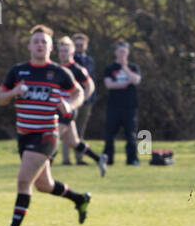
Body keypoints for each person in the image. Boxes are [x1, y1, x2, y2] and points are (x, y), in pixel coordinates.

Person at [0, 25, 91, 226]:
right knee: (44, 185)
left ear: (50, 47)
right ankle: (80, 198)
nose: (39, 45)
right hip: (24, 135)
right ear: (29, 46)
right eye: (36, 41)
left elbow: (79, 92)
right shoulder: (18, 71)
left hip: (47, 134)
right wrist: (12, 93)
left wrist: (70, 105)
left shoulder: (58, 73)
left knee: (23, 180)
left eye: (44, 42)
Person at [55, 34, 107, 176]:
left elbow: (90, 85)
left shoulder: (77, 69)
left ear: (72, 52)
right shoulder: (56, 69)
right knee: (74, 142)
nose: (63, 54)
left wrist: (80, 100)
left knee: (54, 136)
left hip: (68, 110)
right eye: (61, 51)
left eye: (66, 51)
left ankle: (43, 164)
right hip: (57, 109)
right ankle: (99, 158)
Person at [102, 41, 143, 166]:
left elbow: (136, 80)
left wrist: (125, 68)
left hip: (130, 106)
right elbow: (109, 84)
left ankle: (132, 159)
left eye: (124, 52)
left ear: (128, 52)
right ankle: (108, 159)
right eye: (120, 51)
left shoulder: (133, 67)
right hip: (113, 106)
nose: (122, 54)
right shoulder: (110, 68)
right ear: (115, 52)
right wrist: (124, 84)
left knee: (131, 134)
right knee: (109, 134)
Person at [62, 32, 98, 165]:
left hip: (86, 100)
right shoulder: (71, 62)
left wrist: (85, 97)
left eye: (81, 44)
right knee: (66, 129)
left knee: (79, 130)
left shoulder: (89, 60)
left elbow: (90, 81)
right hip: (71, 99)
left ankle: (79, 157)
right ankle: (66, 159)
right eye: (76, 45)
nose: (79, 47)